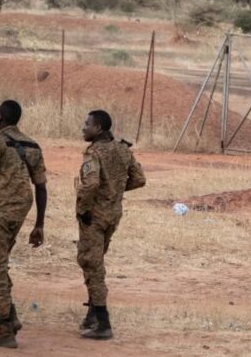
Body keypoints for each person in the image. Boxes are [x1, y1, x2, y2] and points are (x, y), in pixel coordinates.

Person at [0, 100, 47, 349]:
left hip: (1, 211)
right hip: (21, 211)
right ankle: (12, 317)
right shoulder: (32, 145)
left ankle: (5, 329)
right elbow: (41, 186)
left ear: (1, 118)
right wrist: (39, 224)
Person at [76, 110, 145, 339]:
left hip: (94, 217)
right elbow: (139, 179)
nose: (83, 127)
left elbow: (91, 183)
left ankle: (103, 322)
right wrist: (113, 191)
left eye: (87, 124)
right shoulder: (123, 150)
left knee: (91, 263)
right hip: (113, 215)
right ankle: (93, 314)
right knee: (94, 261)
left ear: (99, 128)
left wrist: (83, 209)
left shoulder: (94, 152)